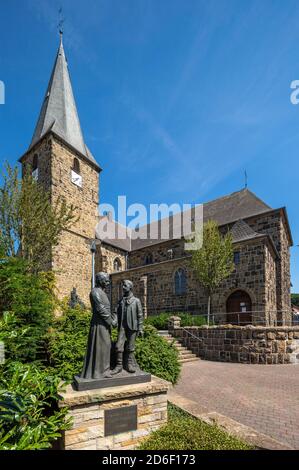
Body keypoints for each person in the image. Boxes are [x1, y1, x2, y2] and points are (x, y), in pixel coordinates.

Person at [80, 272, 116, 379]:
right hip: (99, 325)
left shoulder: (101, 292)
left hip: (104, 325)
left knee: (105, 347)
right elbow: (100, 309)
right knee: (101, 347)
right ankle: (98, 372)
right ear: (100, 280)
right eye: (105, 280)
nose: (108, 282)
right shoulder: (95, 292)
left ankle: (103, 370)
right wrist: (111, 321)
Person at [112, 279, 144, 374]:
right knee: (118, 346)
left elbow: (140, 315)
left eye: (125, 286)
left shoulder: (136, 301)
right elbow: (115, 312)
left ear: (130, 287)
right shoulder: (120, 301)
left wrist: (140, 327)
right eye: (123, 285)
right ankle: (119, 366)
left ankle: (129, 364)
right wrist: (113, 321)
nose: (123, 287)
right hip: (122, 326)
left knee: (130, 347)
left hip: (132, 326)